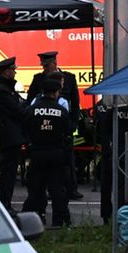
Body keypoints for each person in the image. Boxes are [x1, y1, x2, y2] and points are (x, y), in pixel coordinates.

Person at [26, 51, 84, 199]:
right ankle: (46, 191)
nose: (45, 68)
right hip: (43, 128)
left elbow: (75, 103)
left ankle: (71, 188)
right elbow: (30, 100)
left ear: (54, 63)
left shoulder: (69, 78)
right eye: (43, 66)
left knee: (68, 160)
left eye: (47, 65)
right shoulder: (38, 79)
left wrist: (73, 124)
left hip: (63, 126)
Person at [21, 76, 72, 227]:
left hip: (37, 153)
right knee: (57, 189)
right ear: (56, 92)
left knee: (36, 188)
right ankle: (58, 221)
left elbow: (25, 130)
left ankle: (31, 221)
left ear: (42, 92)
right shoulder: (61, 111)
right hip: (56, 154)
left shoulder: (31, 110)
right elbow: (68, 132)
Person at [0, 56, 27, 211]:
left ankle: (5, 203)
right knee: (8, 173)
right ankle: (5, 204)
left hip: (10, 136)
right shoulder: (2, 91)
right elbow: (17, 110)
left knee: (9, 172)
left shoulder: (6, 88)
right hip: (9, 137)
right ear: (6, 72)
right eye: (13, 70)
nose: (15, 73)